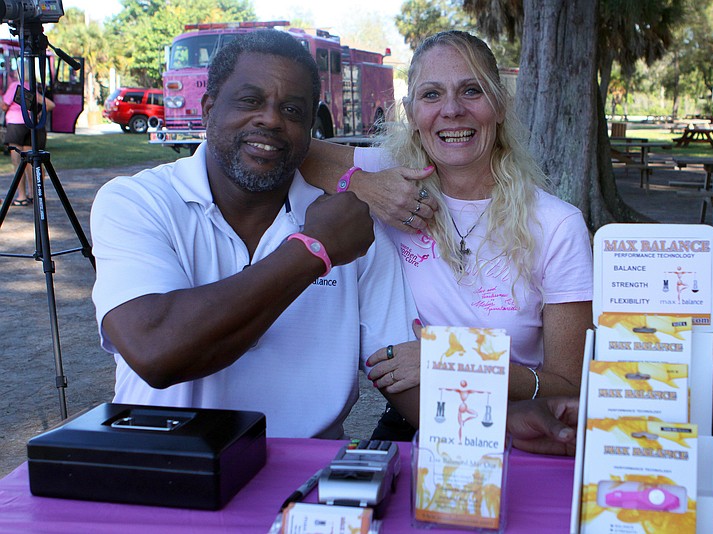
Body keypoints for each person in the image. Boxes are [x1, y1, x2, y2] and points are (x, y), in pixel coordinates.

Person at [89, 30, 419, 439]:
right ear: (209, 108)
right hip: (168, 468)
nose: (271, 119)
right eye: (249, 101)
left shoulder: (353, 227)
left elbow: (403, 373)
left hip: (306, 478)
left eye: (293, 110)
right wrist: (315, 250)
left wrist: (514, 402)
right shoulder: (137, 202)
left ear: (310, 128)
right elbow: (156, 351)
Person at [302, 31, 593, 440]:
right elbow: (297, 152)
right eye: (432, 95)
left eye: (471, 91)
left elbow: (570, 386)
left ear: (500, 104)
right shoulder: (395, 176)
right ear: (411, 112)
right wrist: (362, 184)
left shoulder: (556, 225)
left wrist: (449, 359)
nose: (452, 110)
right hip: (413, 423)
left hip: (518, 430)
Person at [2, 69, 55, 207]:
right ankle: (35, 194)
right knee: (33, 162)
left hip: (16, 126)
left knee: (18, 162)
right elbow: (50, 104)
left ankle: (22, 196)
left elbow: (4, 106)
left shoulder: (15, 86)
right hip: (32, 126)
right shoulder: (32, 87)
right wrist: (38, 116)